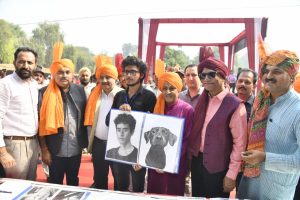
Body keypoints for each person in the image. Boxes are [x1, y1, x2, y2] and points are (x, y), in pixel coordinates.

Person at [237, 50, 300, 200]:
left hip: (275, 192)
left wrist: (265, 158)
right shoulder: (261, 101)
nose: (269, 76)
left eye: (277, 71)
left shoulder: (297, 109)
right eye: (266, 71)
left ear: (292, 76)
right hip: (248, 183)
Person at [189, 57, 247, 198]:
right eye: (203, 75)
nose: (206, 79)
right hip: (198, 163)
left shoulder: (235, 105)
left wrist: (231, 174)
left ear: (223, 76)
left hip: (219, 169)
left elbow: (240, 144)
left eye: (211, 74)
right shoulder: (203, 99)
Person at [38, 42, 88, 186]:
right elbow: (41, 124)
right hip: (54, 149)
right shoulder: (44, 93)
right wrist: (44, 149)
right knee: (54, 183)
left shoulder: (79, 90)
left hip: (75, 148)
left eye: (67, 72)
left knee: (73, 182)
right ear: (53, 74)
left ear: (72, 74)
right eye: (60, 72)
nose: (64, 75)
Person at [106, 56, 157, 192]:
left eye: (133, 72)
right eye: (126, 72)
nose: (128, 75)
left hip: (138, 153)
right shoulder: (119, 95)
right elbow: (108, 122)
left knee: (138, 189)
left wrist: (143, 157)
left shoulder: (149, 96)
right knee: (120, 187)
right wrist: (118, 112)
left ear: (141, 75)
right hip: (119, 150)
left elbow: (153, 128)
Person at [147, 72, 194, 196]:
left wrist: (168, 162)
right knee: (154, 193)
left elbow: (187, 139)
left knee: (172, 194)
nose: (167, 92)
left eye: (172, 88)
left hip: (175, 163)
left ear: (179, 89)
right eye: (164, 88)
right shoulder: (155, 106)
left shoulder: (187, 109)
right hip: (154, 162)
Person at [0, 47, 39, 180]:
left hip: (33, 144)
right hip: (14, 145)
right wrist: (3, 152)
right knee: (14, 188)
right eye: (21, 62)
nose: (25, 66)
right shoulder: (5, 84)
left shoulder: (34, 85)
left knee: (30, 186)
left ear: (35, 65)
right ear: (14, 62)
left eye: (29, 62)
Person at [84, 55, 123, 189]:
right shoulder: (94, 94)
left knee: (119, 180)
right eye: (102, 77)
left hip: (118, 145)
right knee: (100, 179)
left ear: (115, 78)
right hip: (99, 143)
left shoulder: (123, 95)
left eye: (108, 77)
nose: (105, 81)